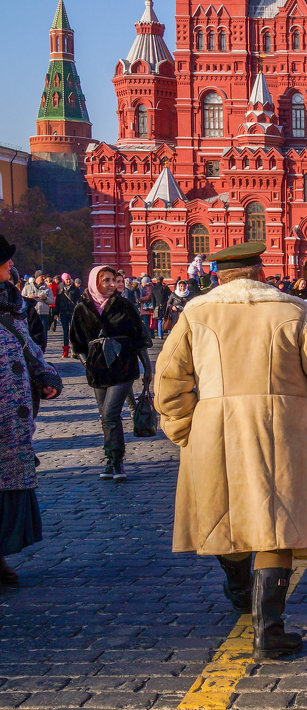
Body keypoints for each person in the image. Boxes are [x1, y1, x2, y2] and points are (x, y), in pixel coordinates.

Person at [154, 242, 307, 661]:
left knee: (226, 510)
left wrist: (183, 431)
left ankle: (238, 587)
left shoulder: (196, 313)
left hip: (216, 431)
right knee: (276, 522)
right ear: (259, 272)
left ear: (219, 276)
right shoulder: (293, 310)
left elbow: (169, 383)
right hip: (284, 431)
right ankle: (270, 630)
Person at [0, 237, 62, 586]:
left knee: (8, 489)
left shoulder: (13, 304)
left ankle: (1, 557)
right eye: (6, 262)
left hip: (12, 419)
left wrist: (46, 376)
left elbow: (30, 349)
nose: (12, 267)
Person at [69, 265, 153, 481]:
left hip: (123, 366)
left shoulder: (124, 305)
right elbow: (77, 343)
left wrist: (147, 367)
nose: (110, 284)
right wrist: (87, 363)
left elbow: (139, 338)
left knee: (110, 414)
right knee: (104, 416)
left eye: (113, 280)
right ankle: (112, 460)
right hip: (98, 371)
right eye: (105, 280)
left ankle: (116, 461)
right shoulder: (82, 308)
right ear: (94, 282)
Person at [21, 274, 53, 342]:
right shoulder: (27, 287)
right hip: (31, 314)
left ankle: (43, 348)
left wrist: (45, 298)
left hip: (43, 313)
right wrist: (28, 297)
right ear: (37, 277)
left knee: (43, 332)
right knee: (31, 332)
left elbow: (52, 301)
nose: (44, 278)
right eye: (42, 276)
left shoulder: (47, 288)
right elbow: (21, 299)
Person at [54, 273, 79, 358]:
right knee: (65, 332)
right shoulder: (60, 289)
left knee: (73, 332)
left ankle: (74, 350)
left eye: (69, 279)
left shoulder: (75, 289)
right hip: (63, 312)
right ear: (63, 280)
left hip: (72, 312)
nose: (68, 281)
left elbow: (78, 301)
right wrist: (56, 313)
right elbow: (57, 302)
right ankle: (65, 351)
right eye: (66, 279)